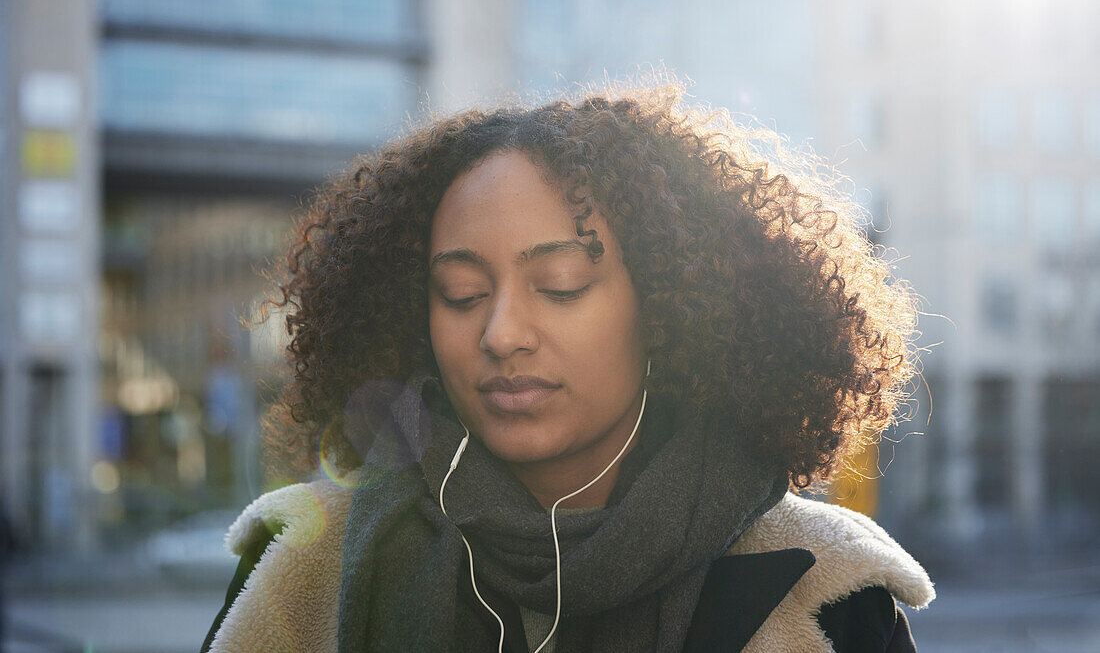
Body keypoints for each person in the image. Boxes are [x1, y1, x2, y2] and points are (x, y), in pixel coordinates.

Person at [202, 84, 933, 652]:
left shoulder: (829, 585)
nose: (502, 333)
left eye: (558, 287)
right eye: (461, 294)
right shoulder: (302, 563)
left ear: (668, 305)